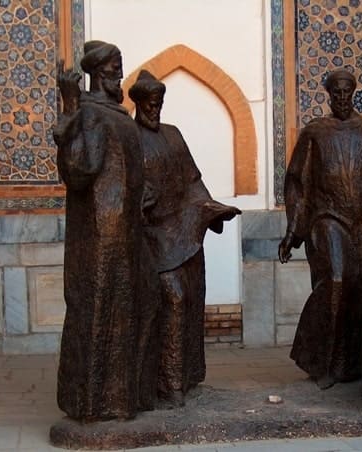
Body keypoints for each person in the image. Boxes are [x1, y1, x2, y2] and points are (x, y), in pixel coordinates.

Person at [53, 41, 159, 421]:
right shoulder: (92, 115)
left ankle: (126, 396)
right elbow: (80, 169)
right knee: (99, 313)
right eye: (115, 69)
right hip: (102, 233)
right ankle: (93, 403)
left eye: (119, 67)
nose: (119, 75)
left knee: (141, 306)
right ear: (99, 73)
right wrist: (69, 109)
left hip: (126, 229)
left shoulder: (118, 116)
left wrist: (140, 190)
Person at [279, 69, 362, 389]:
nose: (343, 99)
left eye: (348, 93)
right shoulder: (315, 132)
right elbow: (297, 183)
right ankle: (323, 359)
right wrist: (294, 229)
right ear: (329, 96)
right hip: (328, 218)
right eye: (337, 94)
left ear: (353, 93)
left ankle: (359, 362)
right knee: (336, 279)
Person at [129, 70, 241, 407]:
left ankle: (182, 377)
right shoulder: (128, 137)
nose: (155, 109)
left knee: (189, 299)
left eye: (159, 103)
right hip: (151, 237)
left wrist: (211, 207)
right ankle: (165, 384)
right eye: (150, 103)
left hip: (181, 231)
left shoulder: (173, 135)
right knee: (173, 297)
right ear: (137, 103)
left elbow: (193, 181)